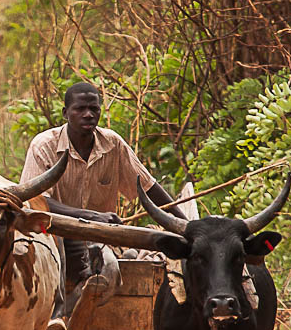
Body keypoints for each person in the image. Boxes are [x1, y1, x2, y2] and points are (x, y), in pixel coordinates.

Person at [20, 82, 187, 295]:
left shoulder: (112, 143)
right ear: (65, 113)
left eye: (94, 109)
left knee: (110, 268)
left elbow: (149, 188)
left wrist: (184, 225)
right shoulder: (43, 146)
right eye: (80, 109)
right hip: (54, 235)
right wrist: (90, 216)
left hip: (100, 237)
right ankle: (59, 320)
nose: (88, 114)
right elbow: (37, 202)